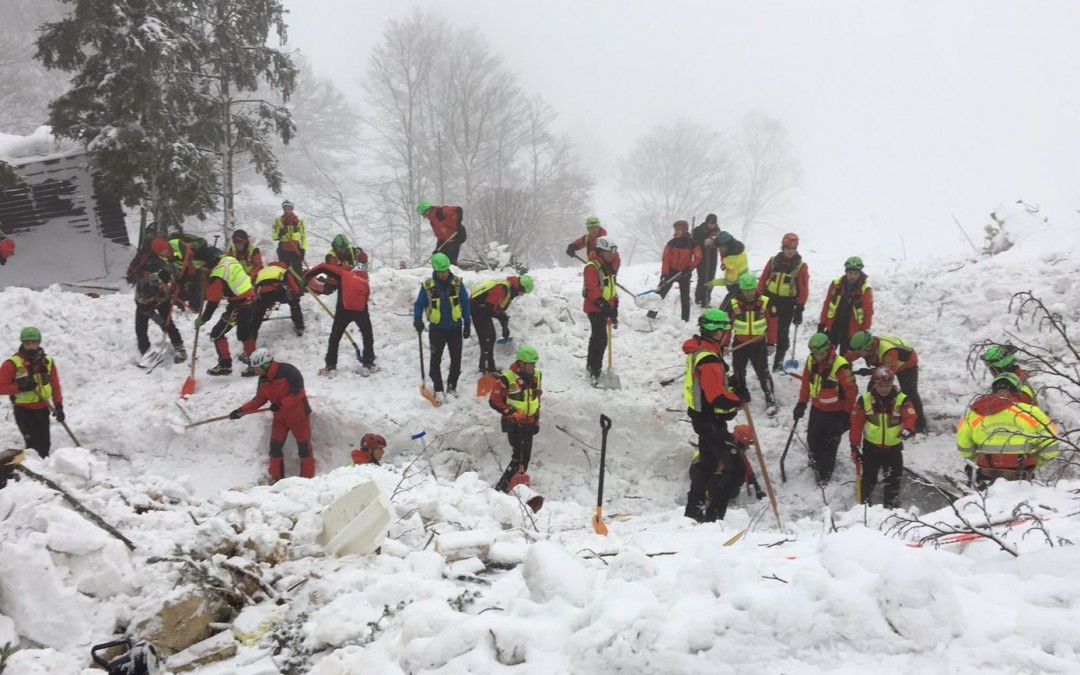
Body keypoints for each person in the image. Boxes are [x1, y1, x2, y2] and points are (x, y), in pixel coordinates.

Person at [681, 309, 745, 522]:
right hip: (710, 422)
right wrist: (738, 399)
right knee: (736, 468)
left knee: (707, 466)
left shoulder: (703, 351)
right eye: (721, 330)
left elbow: (714, 387)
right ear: (712, 331)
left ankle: (693, 512)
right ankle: (713, 518)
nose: (724, 334)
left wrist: (731, 387)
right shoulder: (708, 359)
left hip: (704, 419)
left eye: (725, 330)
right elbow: (717, 398)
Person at [957, 372, 1059, 488]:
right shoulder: (1032, 413)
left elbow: (964, 446)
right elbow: (1051, 443)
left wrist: (976, 460)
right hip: (1022, 474)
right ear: (1016, 391)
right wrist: (1037, 462)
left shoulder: (975, 414)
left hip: (985, 473)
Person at [229, 348, 314, 482]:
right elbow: (259, 399)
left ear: (265, 364)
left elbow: (298, 393)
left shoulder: (289, 371)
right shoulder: (263, 380)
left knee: (304, 447)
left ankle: (308, 480)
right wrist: (240, 411)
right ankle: (276, 478)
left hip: (298, 416)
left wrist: (281, 404)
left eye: (256, 368)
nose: (255, 371)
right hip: (280, 418)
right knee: (274, 447)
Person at [793, 332, 858, 485]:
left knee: (829, 443)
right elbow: (806, 383)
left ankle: (824, 474)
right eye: (815, 354)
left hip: (835, 412)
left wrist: (846, 414)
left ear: (828, 349)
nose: (818, 357)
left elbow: (851, 391)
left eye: (821, 353)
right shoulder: (811, 362)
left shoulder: (841, 366)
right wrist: (802, 403)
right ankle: (814, 462)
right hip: (817, 408)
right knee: (813, 438)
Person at [849, 367, 917, 508]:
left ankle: (890, 506)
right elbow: (856, 424)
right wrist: (854, 446)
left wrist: (908, 429)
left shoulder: (902, 400)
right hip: (871, 448)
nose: (884, 389)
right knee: (868, 478)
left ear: (892, 384)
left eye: (887, 386)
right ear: (874, 384)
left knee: (893, 479)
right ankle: (864, 506)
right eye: (880, 386)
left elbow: (910, 416)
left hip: (893, 449)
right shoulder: (865, 400)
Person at [414, 252, 471, 401]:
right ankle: (438, 388)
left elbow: (465, 303)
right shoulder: (428, 286)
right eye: (440, 272)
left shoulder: (457, 283)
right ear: (435, 270)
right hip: (437, 330)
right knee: (435, 359)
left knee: (456, 358)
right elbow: (419, 304)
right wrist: (417, 318)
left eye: (445, 271)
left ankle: (452, 386)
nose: (443, 274)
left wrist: (467, 323)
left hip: (455, 328)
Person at [305, 260, 378, 377]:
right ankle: (368, 363)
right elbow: (365, 300)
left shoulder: (344, 274)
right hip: (361, 310)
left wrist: (307, 277)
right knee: (367, 335)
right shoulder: (365, 282)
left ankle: (330, 367)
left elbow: (323, 267)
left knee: (335, 337)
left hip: (344, 309)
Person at [0, 327, 64, 458]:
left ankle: (44, 471)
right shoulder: (12, 364)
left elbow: (55, 385)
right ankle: (32, 473)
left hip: (43, 409)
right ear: (22, 343)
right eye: (27, 343)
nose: (31, 346)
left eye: (34, 343)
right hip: (24, 411)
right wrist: (19, 387)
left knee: (45, 444)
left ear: (39, 343)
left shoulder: (47, 362)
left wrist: (58, 406)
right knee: (33, 446)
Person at [846, 331, 926, 434]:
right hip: (886, 364)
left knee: (910, 393)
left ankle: (919, 425)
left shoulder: (888, 352)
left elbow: (887, 373)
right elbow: (851, 355)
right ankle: (874, 416)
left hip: (907, 364)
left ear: (867, 348)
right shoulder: (868, 345)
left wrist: (869, 372)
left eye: (860, 352)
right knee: (872, 389)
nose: (858, 355)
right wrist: (842, 364)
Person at [489, 345, 543, 492]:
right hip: (514, 423)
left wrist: (536, 419)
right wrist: (510, 411)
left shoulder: (537, 375)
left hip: (529, 422)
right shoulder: (508, 378)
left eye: (534, 363)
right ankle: (501, 488)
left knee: (524, 458)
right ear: (521, 363)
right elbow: (494, 400)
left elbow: (536, 399)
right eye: (531, 363)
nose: (533, 366)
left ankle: (512, 485)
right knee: (518, 457)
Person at [197, 252, 259, 376]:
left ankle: (225, 365)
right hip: (251, 299)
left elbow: (213, 303)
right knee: (245, 334)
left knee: (217, 333)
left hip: (240, 305)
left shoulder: (217, 276)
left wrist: (203, 319)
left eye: (203, 268)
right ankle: (255, 365)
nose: (202, 271)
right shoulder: (229, 260)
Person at [728, 272, 779, 416]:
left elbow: (773, 323)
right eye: (746, 290)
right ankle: (741, 395)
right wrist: (724, 343)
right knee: (738, 371)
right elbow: (727, 325)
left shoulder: (765, 302)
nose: (750, 293)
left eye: (752, 289)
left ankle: (770, 397)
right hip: (740, 344)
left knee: (763, 372)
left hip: (758, 344)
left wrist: (771, 343)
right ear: (741, 289)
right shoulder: (733, 304)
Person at [758, 232, 810, 372]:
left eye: (793, 249)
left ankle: (778, 362)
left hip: (787, 303)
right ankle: (760, 359)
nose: (790, 251)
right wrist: (760, 297)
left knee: (782, 333)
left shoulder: (800, 266)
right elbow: (763, 279)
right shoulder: (773, 261)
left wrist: (799, 308)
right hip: (769, 300)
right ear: (783, 247)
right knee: (763, 330)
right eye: (788, 248)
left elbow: (803, 288)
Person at [470, 275, 533, 374]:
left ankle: (487, 368)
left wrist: (504, 322)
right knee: (487, 339)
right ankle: (487, 370)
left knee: (490, 337)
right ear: (520, 287)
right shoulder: (502, 288)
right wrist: (500, 317)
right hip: (477, 307)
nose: (522, 295)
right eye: (523, 292)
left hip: (483, 309)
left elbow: (497, 307)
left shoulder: (510, 289)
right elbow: (489, 308)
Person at [582, 237, 620, 386]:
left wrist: (614, 306)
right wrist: (605, 307)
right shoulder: (592, 267)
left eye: (612, 252)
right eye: (608, 252)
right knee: (601, 339)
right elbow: (593, 291)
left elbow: (611, 288)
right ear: (601, 251)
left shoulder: (608, 266)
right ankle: (595, 369)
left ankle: (591, 366)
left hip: (605, 307)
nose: (611, 255)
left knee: (597, 338)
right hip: (595, 308)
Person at [817, 256, 873, 354]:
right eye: (850, 273)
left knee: (846, 357)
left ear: (859, 274)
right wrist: (822, 323)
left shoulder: (865, 290)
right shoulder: (836, 284)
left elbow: (868, 313)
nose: (852, 276)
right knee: (828, 352)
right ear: (846, 272)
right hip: (834, 325)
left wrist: (864, 331)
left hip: (851, 329)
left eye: (855, 274)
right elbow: (827, 304)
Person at [649, 220, 700, 322]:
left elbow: (698, 257)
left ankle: (685, 320)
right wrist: (664, 274)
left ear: (685, 230)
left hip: (684, 273)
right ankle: (651, 316)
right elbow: (666, 259)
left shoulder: (692, 243)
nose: (676, 231)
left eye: (679, 229)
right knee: (659, 294)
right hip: (671, 271)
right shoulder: (671, 243)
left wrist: (690, 268)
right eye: (675, 229)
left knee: (685, 298)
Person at [249, 260, 305, 347]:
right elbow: (293, 286)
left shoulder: (262, 271)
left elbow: (255, 288)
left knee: (258, 314)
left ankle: (250, 339)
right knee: (294, 301)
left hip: (263, 295)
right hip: (277, 292)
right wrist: (297, 293)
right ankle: (299, 325)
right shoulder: (283, 271)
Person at [134, 276, 187, 364]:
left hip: (162, 302)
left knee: (169, 324)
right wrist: (162, 323)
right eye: (145, 297)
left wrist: (178, 283)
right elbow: (150, 313)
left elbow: (172, 269)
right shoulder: (140, 299)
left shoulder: (163, 288)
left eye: (150, 297)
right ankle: (144, 350)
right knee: (140, 327)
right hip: (145, 307)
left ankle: (179, 348)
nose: (148, 299)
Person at [709, 231, 749, 311]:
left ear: (727, 246)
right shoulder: (736, 247)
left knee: (724, 310)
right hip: (743, 284)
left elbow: (729, 281)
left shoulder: (732, 261)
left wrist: (712, 283)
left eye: (720, 247)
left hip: (737, 289)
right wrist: (711, 239)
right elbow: (721, 236)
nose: (719, 250)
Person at [417, 200, 466, 265]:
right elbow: (440, 236)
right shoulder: (432, 222)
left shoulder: (440, 212)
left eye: (423, 215)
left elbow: (458, 210)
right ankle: (449, 267)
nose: (424, 217)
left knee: (449, 252)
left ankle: (453, 268)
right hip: (448, 239)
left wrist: (458, 225)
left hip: (458, 234)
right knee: (438, 254)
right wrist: (437, 248)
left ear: (427, 211)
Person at [272, 200, 307, 277]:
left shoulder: (299, 221)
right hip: (283, 250)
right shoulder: (278, 221)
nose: (287, 210)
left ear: (292, 209)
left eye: (289, 208)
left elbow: (304, 236)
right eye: (285, 208)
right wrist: (280, 233)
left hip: (296, 250)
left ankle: (299, 287)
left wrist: (303, 249)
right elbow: (274, 236)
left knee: (298, 273)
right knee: (284, 272)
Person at [692, 214, 721, 307]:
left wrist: (713, 242)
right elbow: (694, 243)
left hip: (712, 257)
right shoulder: (698, 230)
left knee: (710, 279)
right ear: (706, 222)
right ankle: (699, 298)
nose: (711, 225)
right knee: (702, 278)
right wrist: (703, 243)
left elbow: (719, 241)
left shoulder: (717, 231)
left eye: (713, 223)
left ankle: (707, 298)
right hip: (701, 257)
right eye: (710, 223)